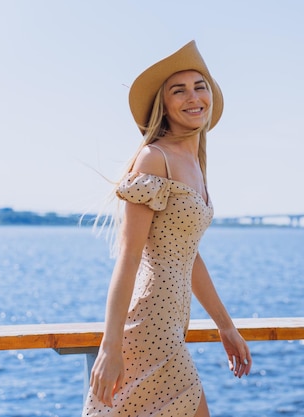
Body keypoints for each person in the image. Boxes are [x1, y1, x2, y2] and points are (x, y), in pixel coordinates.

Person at [82, 41, 252, 417]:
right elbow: (128, 260)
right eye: (179, 90)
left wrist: (227, 327)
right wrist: (110, 347)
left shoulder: (194, 164)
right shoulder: (154, 159)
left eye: (199, 86)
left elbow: (187, 256)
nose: (193, 97)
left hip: (174, 325)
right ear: (165, 104)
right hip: (150, 326)